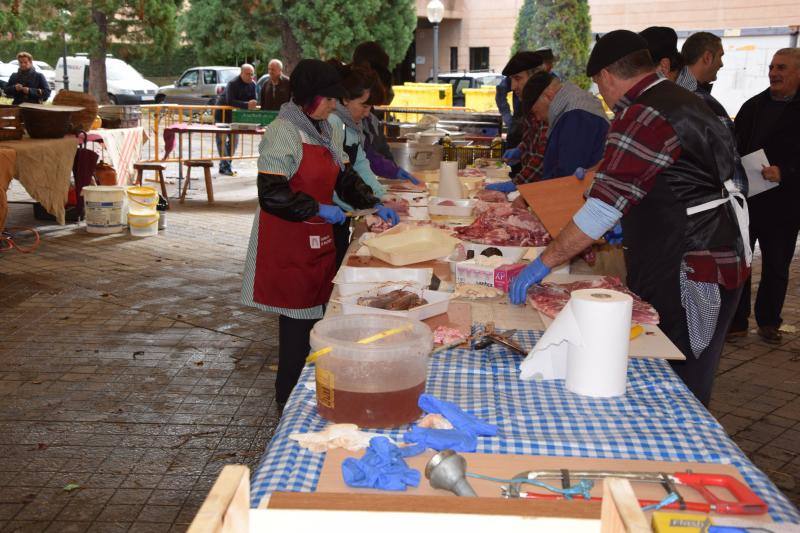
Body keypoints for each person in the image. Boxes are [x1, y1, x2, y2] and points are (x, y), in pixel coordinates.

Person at [509, 30, 750, 406]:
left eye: (598, 85)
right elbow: (676, 176)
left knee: (677, 379)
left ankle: (680, 455)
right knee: (681, 368)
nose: (601, 96)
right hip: (715, 252)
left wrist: (544, 262)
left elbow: (601, 209)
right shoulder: (681, 100)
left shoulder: (643, 113)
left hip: (691, 265)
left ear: (607, 75)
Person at [240, 59, 398, 409]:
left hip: (317, 242)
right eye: (328, 98)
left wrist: (371, 203)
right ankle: (285, 415)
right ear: (311, 96)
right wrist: (316, 208)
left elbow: (343, 178)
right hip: (288, 246)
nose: (333, 105)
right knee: (295, 341)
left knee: (315, 329)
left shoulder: (324, 129)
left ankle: (306, 404)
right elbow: (272, 193)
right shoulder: (283, 131)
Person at [728, 48, 800, 344]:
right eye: (771, 67)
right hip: (749, 199)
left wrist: (786, 172)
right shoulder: (753, 106)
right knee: (741, 261)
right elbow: (732, 144)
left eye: (781, 67)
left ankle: (769, 321)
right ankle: (736, 321)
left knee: (776, 265)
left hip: (785, 204)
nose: (773, 73)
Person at [328, 62, 400, 267]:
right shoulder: (333, 123)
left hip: (343, 208)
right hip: (329, 210)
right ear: (345, 99)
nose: (368, 113)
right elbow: (338, 175)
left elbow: (360, 163)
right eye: (364, 105)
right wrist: (369, 206)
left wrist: (378, 194)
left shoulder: (351, 125)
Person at [676, 32, 747, 195]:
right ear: (707, 57)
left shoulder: (668, 93)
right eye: (720, 56)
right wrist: (738, 196)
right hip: (705, 204)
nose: (721, 64)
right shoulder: (706, 105)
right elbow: (729, 163)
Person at [519, 71, 608, 180]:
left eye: (536, 111)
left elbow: (567, 174)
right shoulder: (568, 110)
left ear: (548, 95)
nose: (538, 118)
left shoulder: (576, 115)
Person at [487, 52, 546, 191]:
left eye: (518, 79)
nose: (513, 87)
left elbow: (542, 153)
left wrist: (517, 183)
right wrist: (521, 150)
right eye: (511, 79)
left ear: (535, 77)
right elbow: (533, 136)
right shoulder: (531, 103)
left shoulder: (545, 104)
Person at [215, 64, 258, 176]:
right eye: (248, 74)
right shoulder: (232, 84)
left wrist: (254, 104)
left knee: (234, 142)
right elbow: (230, 101)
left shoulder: (253, 84)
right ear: (241, 73)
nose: (250, 76)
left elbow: (253, 100)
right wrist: (246, 105)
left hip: (237, 117)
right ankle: (225, 167)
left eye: (252, 74)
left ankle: (225, 165)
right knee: (222, 141)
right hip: (223, 115)